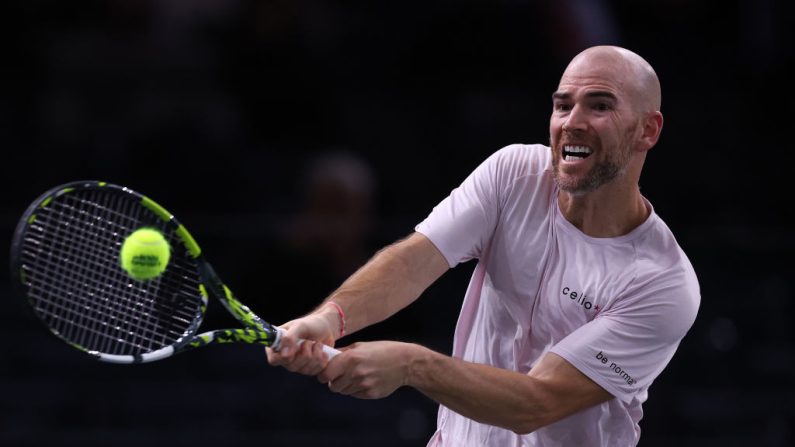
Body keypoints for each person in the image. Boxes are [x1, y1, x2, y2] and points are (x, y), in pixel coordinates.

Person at [266, 45, 700, 446]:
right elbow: (415, 261)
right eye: (563, 105)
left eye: (600, 105)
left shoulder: (663, 283)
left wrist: (411, 364)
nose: (572, 121)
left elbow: (537, 402)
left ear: (648, 130)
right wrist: (330, 318)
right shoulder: (513, 173)